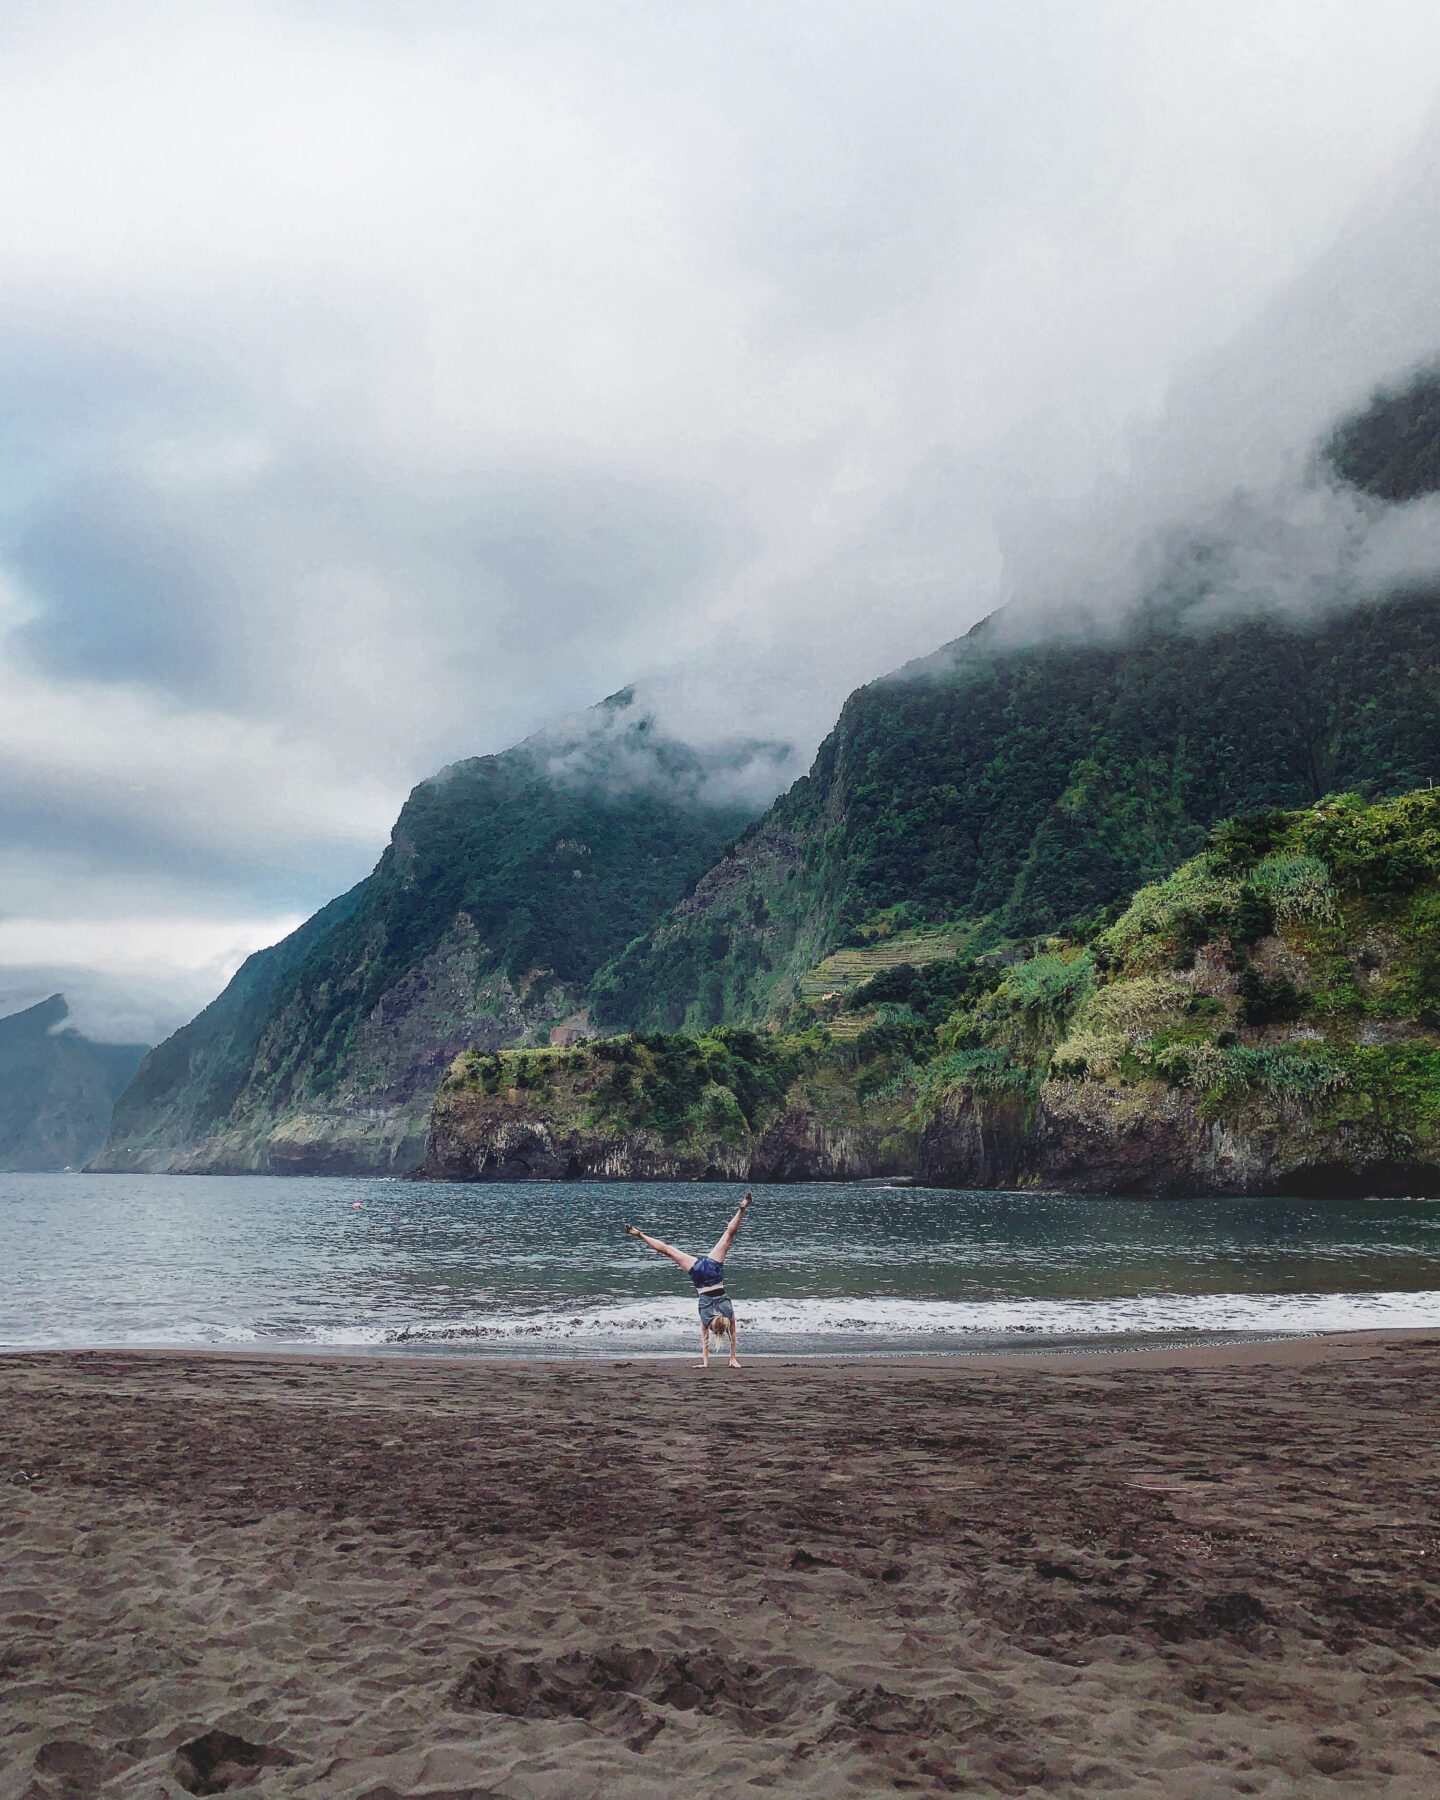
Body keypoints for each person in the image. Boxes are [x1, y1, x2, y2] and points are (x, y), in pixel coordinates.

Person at [625, 1193, 752, 1370]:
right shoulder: (707, 1318)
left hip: (710, 1269)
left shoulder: (726, 1313)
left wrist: (707, 1364)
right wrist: (729, 1359)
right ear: (716, 1329)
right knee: (670, 1251)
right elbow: (707, 1339)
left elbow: (729, 1335)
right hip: (699, 1277)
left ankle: (639, 1234)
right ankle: (639, 1235)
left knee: (728, 1234)